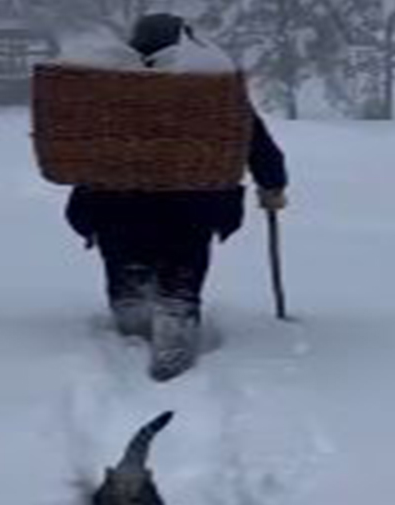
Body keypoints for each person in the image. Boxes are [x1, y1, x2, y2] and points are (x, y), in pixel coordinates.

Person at [64, 13, 289, 382]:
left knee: (125, 267)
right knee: (182, 270)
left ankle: (131, 324)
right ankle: (175, 320)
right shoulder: (206, 90)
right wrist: (273, 184)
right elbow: (253, 138)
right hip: (193, 203)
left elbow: (78, 139)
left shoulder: (110, 89)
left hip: (115, 202)